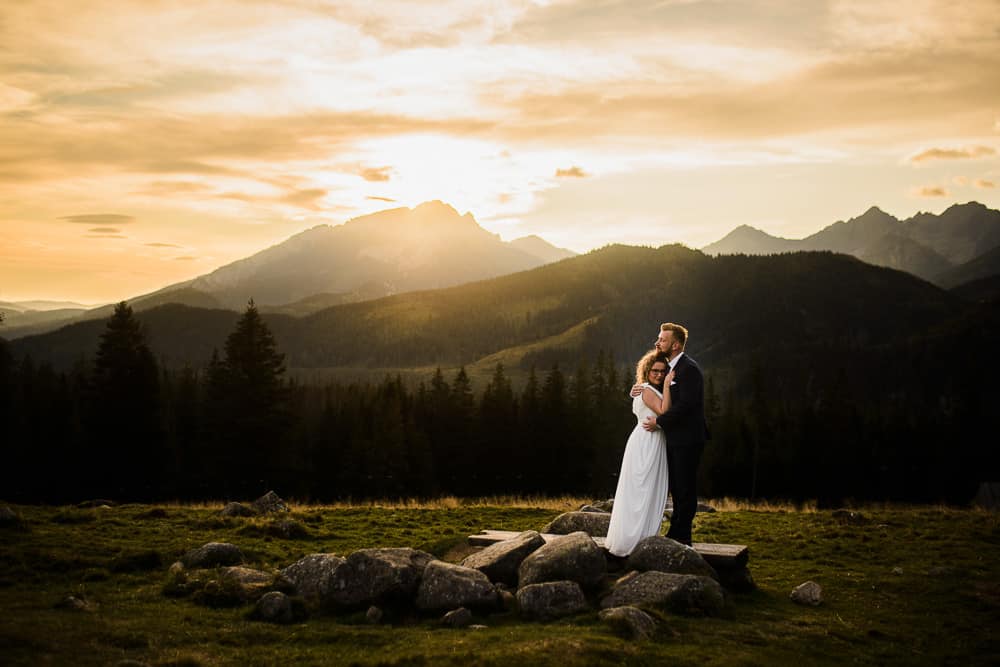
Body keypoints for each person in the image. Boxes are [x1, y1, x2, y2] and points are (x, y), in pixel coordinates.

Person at [632, 322, 709, 546]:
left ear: (675, 345)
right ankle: (676, 531)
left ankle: (683, 536)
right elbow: (656, 389)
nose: (657, 343)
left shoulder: (688, 368)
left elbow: (686, 404)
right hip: (676, 438)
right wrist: (639, 388)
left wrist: (659, 421)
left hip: (689, 438)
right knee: (677, 486)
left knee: (685, 487)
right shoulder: (671, 366)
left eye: (662, 340)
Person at [604, 350, 674, 557]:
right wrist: (668, 385)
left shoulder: (646, 388)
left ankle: (642, 538)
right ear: (647, 370)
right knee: (641, 491)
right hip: (647, 442)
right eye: (655, 371)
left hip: (651, 441)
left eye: (663, 371)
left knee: (646, 491)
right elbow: (663, 411)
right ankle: (634, 541)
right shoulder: (645, 389)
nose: (660, 375)